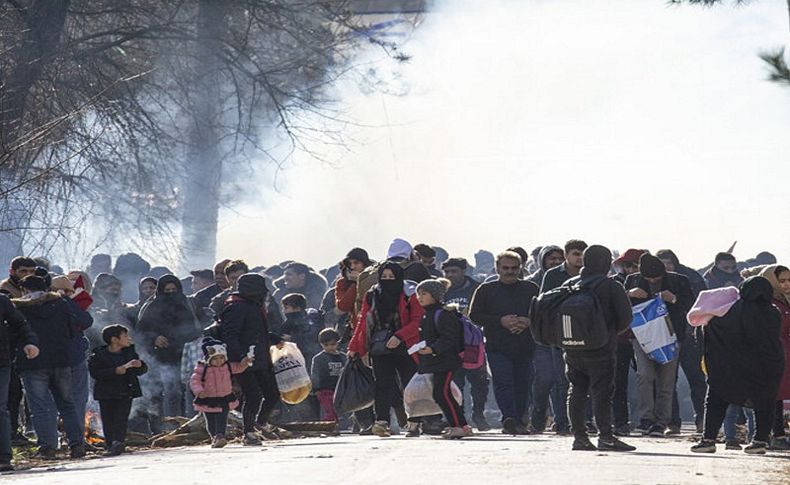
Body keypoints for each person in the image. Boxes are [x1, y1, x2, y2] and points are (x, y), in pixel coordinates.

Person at [690, 277, 785, 454]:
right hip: (766, 367)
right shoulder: (774, 312)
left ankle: (708, 440)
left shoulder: (731, 311)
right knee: (765, 403)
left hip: (730, 369)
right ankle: (760, 442)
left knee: (716, 400)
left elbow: (712, 329)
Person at [561, 245, 635, 452]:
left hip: (572, 348)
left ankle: (580, 437)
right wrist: (608, 334)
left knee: (576, 390)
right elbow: (626, 318)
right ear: (606, 263)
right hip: (601, 348)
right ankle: (606, 437)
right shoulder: (610, 286)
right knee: (602, 392)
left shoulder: (569, 284)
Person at [12, 275, 91, 459]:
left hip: (32, 363)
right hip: (62, 361)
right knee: (67, 404)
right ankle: (76, 444)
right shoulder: (61, 304)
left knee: (39, 407)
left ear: (24, 290)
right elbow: (83, 322)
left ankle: (47, 447)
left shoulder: (18, 308)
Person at [348, 261, 424, 437]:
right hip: (380, 347)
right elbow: (363, 322)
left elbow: (417, 320)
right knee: (382, 385)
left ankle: (414, 422)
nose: (388, 280)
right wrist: (355, 346)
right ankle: (382, 422)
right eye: (384, 277)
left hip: (406, 347)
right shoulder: (373, 294)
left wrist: (400, 336)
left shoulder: (409, 293)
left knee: (409, 384)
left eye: (391, 277)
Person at [624, 253, 693, 437]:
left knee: (667, 381)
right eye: (649, 278)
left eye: (657, 278)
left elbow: (692, 306)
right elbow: (620, 305)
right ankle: (646, 418)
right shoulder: (632, 280)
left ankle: (662, 422)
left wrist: (674, 299)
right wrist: (629, 294)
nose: (653, 280)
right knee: (644, 375)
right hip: (641, 337)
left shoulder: (679, 281)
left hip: (671, 336)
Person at [469, 251, 538, 435]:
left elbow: (542, 313)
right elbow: (474, 315)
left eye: (514, 268)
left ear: (520, 268)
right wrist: (501, 321)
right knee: (503, 381)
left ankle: (521, 418)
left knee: (523, 383)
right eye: (505, 268)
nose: (510, 272)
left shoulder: (531, 289)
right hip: (498, 345)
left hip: (525, 345)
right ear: (497, 268)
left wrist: (527, 321)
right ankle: (509, 418)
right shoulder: (485, 290)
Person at [216, 273, 284, 445]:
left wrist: (274, 339)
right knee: (252, 395)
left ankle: (260, 423)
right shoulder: (236, 306)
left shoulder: (252, 305)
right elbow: (230, 335)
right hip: (244, 360)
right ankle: (249, 432)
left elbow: (255, 332)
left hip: (260, 357)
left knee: (272, 393)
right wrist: (240, 356)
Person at [136, 275, 200, 430]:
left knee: (190, 391)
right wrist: (155, 338)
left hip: (186, 354)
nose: (171, 293)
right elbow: (141, 330)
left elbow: (195, 327)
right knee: (171, 392)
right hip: (162, 357)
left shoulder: (187, 303)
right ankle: (171, 427)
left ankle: (190, 425)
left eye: (174, 290)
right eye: (167, 290)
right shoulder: (151, 306)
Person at [414, 278, 471, 439]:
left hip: (445, 361)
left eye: (424, 293)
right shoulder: (428, 314)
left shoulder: (443, 314)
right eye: (419, 294)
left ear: (435, 295)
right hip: (436, 361)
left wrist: (433, 349)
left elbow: (449, 338)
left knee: (442, 394)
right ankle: (463, 425)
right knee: (444, 394)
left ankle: (456, 426)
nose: (420, 297)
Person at [442, 257, 490, 431]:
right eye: (447, 272)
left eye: (454, 271)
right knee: (455, 383)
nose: (450, 275)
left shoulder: (477, 289)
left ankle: (478, 414)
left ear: (463, 271)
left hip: (473, 344)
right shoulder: (442, 291)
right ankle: (459, 417)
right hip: (451, 346)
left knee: (479, 383)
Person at [87, 325, 148, 456]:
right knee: (108, 419)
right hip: (106, 393)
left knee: (121, 418)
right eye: (125, 336)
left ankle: (118, 442)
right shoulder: (99, 355)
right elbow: (95, 373)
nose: (128, 339)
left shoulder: (129, 353)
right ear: (114, 340)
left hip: (126, 391)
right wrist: (114, 371)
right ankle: (110, 444)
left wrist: (140, 365)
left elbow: (139, 371)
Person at [190, 338, 252, 448]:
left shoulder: (227, 366)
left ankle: (220, 436)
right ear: (208, 358)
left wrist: (245, 363)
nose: (219, 361)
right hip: (208, 398)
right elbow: (195, 381)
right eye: (215, 359)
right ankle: (214, 436)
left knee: (222, 418)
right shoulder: (202, 368)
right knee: (211, 421)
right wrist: (199, 391)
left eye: (221, 358)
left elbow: (238, 368)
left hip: (224, 397)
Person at [0, 293, 38, 471]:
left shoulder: (1, 301)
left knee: (0, 409)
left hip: (1, 362)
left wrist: (30, 342)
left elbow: (22, 325)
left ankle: (3, 457)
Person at [609, 248, 645, 436]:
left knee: (648, 380)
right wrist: (628, 293)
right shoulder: (615, 283)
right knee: (619, 382)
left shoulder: (650, 282)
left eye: (635, 265)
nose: (631, 269)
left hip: (646, 338)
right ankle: (620, 421)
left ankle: (647, 420)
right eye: (628, 265)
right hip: (621, 338)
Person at [758, 265, 790, 450]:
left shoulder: (784, 301)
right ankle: (773, 435)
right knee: (773, 395)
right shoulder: (766, 303)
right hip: (772, 352)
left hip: (784, 351)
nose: (786, 285)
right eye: (781, 281)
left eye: (788, 281)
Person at [310, 328, 348, 422]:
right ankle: (330, 427)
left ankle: (338, 425)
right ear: (321, 344)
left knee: (340, 410)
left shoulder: (343, 357)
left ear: (337, 343)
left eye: (333, 344)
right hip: (325, 390)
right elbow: (315, 374)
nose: (330, 347)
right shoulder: (319, 358)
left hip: (340, 389)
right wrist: (316, 389)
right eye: (326, 345)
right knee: (328, 410)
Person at [280, 293, 323, 371]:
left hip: (309, 355)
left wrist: (292, 338)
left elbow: (313, 336)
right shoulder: (290, 321)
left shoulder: (310, 319)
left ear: (297, 308)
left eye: (286, 308)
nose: (283, 311)